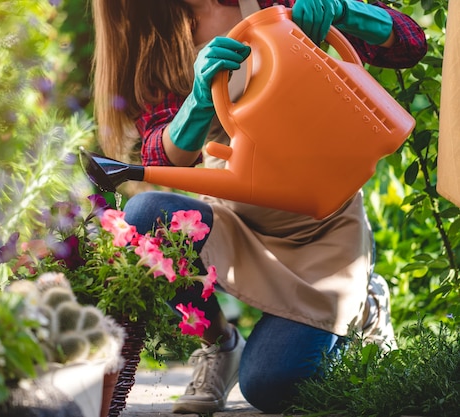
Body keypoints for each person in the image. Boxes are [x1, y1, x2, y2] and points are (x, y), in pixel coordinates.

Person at [91, 0, 427, 413]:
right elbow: (161, 162)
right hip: (235, 222)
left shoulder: (274, 4)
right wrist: (198, 99)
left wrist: (344, 11)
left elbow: (408, 43)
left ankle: (365, 306)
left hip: (321, 232)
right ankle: (219, 345)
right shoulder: (157, 34)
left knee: (270, 387)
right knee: (146, 218)